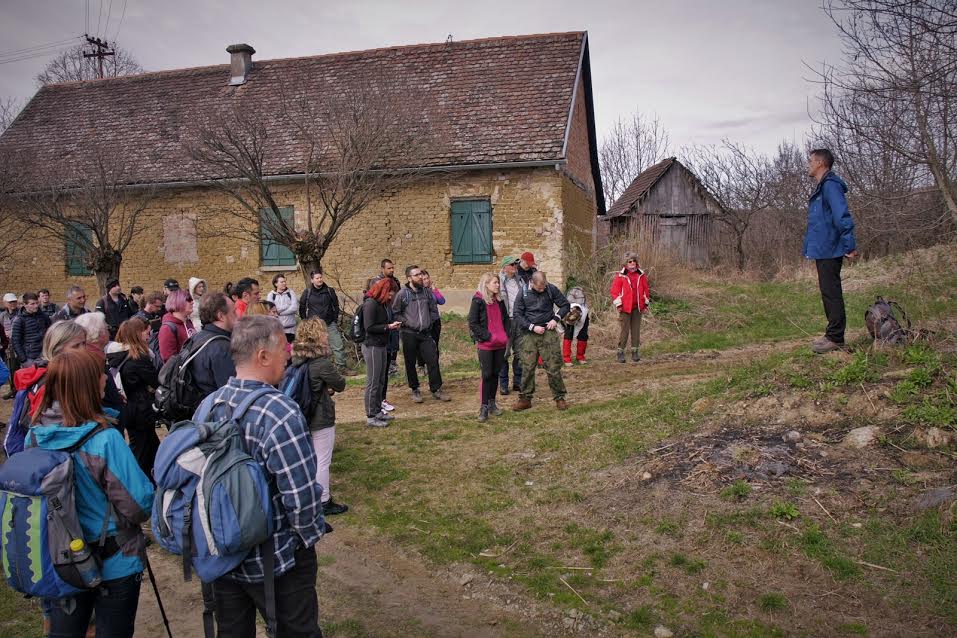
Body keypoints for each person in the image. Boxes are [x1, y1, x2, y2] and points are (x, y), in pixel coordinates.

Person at [198, 316, 326, 637]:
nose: (290, 354)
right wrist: (306, 540)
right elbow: (300, 496)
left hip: (221, 556)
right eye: (284, 347)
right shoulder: (280, 412)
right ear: (263, 356)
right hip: (277, 559)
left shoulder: (207, 406)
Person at [29, 348, 154, 638]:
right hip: (113, 558)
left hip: (59, 554)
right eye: (99, 374)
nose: (104, 379)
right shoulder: (105, 439)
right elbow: (139, 504)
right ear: (88, 384)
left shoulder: (35, 434)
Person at [291, 318, 348, 516]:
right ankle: (323, 500)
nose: (326, 336)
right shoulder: (321, 363)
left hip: (302, 415)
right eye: (323, 333)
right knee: (323, 460)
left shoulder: (295, 359)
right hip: (320, 417)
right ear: (317, 337)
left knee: (309, 459)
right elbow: (340, 384)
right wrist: (327, 386)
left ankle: (308, 496)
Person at [805, 148, 857, 354]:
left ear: (820, 163)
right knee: (828, 292)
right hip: (824, 248)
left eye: (811, 161)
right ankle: (832, 335)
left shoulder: (831, 187)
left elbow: (842, 216)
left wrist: (849, 245)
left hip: (831, 248)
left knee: (832, 292)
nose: (808, 164)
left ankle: (836, 338)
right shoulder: (822, 187)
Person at [110, 318, 160, 481]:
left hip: (129, 408)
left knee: (149, 446)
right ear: (137, 334)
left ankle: (152, 478)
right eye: (145, 330)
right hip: (141, 410)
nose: (149, 333)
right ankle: (138, 482)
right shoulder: (138, 357)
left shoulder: (118, 355)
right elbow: (155, 380)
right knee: (142, 450)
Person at [393, 265, 451, 404]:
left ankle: (436, 389)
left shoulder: (426, 292)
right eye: (416, 275)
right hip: (409, 333)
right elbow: (396, 312)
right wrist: (406, 322)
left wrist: (429, 322)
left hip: (425, 333)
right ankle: (415, 389)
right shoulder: (403, 294)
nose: (420, 277)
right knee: (410, 362)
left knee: (432, 360)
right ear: (409, 278)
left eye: (420, 274)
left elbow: (432, 309)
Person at [513, 272, 570, 412]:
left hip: (548, 332)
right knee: (527, 366)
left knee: (553, 366)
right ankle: (525, 398)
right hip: (529, 333)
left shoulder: (550, 289)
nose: (542, 289)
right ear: (532, 283)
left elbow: (565, 305)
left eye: (544, 286)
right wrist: (532, 327)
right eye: (539, 288)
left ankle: (559, 397)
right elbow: (517, 314)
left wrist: (555, 319)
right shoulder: (523, 293)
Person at [11, 320, 88, 422]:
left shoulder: (69, 372)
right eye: (76, 346)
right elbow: (43, 426)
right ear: (57, 348)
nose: (83, 350)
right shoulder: (52, 381)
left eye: (84, 343)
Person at [468, 272, 509, 422]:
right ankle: (483, 406)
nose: (497, 285)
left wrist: (505, 335)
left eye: (498, 282)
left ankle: (492, 403)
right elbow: (473, 323)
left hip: (500, 343)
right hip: (486, 344)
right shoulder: (478, 300)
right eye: (494, 283)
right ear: (486, 284)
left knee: (495, 374)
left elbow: (505, 319)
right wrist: (488, 336)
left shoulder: (499, 301)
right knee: (486, 375)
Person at [362, 278, 401, 427]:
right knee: (372, 381)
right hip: (372, 346)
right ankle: (371, 416)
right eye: (390, 294)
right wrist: (388, 327)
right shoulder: (370, 304)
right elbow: (369, 327)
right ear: (384, 291)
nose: (391, 298)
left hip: (382, 345)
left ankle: (378, 411)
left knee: (380, 380)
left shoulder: (382, 304)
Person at [299, 269, 352, 374]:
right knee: (315, 348)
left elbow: (336, 306)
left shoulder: (329, 291)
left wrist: (334, 319)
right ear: (312, 280)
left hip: (329, 323)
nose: (319, 280)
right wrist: (306, 321)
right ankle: (316, 370)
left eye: (320, 277)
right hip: (314, 326)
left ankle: (341, 367)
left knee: (338, 345)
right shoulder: (307, 292)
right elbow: (302, 307)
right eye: (317, 278)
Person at [190, 293, 238, 399]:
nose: (238, 315)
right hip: (214, 408)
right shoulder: (222, 347)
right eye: (234, 312)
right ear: (221, 316)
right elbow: (230, 393)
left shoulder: (197, 337)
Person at [610, 252, 650, 363]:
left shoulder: (641, 275)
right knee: (625, 331)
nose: (632, 263)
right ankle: (620, 353)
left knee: (636, 330)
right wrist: (619, 305)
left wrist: (645, 304)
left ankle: (635, 352)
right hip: (625, 308)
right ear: (626, 263)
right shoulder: (620, 276)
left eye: (634, 261)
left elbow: (646, 290)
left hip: (637, 307)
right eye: (630, 261)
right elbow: (614, 292)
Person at [369, 259, 401, 376]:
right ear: (382, 269)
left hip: (394, 311)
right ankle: (385, 365)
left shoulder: (395, 281)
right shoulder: (376, 281)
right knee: (386, 336)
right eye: (389, 268)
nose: (391, 270)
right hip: (383, 312)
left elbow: (399, 296)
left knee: (395, 337)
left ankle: (393, 363)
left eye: (392, 268)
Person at [498, 255, 523, 395]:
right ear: (505, 267)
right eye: (512, 265)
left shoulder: (520, 280)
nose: (515, 267)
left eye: (516, 265)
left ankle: (517, 382)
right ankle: (503, 383)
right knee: (504, 353)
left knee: (519, 353)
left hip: (519, 320)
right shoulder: (498, 281)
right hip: (505, 321)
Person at [11, 291, 51, 367]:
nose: (36, 306)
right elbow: (15, 341)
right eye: (32, 304)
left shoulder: (43, 316)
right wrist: (23, 360)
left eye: (37, 303)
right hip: (30, 358)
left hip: (45, 355)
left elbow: (51, 332)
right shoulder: (19, 320)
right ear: (25, 305)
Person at [157, 288, 196, 362]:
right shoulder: (167, 329)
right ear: (177, 302)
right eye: (188, 300)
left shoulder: (188, 322)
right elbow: (169, 359)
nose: (192, 302)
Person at [562, 287, 590, 366]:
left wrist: (575, 335)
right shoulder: (564, 310)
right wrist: (562, 332)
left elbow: (578, 328)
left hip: (582, 318)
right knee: (568, 335)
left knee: (583, 336)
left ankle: (580, 357)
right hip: (569, 314)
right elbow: (558, 324)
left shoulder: (583, 314)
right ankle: (566, 358)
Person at [268, 273, 298, 343]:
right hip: (277, 330)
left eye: (285, 281)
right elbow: (271, 310)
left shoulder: (291, 293)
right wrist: (287, 305)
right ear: (276, 284)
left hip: (291, 330)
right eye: (282, 282)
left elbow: (294, 308)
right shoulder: (271, 295)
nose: (284, 283)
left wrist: (279, 312)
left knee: (290, 351)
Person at [1, 293, 19, 399]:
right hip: (8, 347)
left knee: (20, 369)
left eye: (14, 301)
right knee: (11, 369)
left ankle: (20, 389)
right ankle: (13, 389)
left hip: (19, 345)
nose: (13, 304)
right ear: (5, 303)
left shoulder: (20, 314)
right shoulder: (2, 316)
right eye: (10, 302)